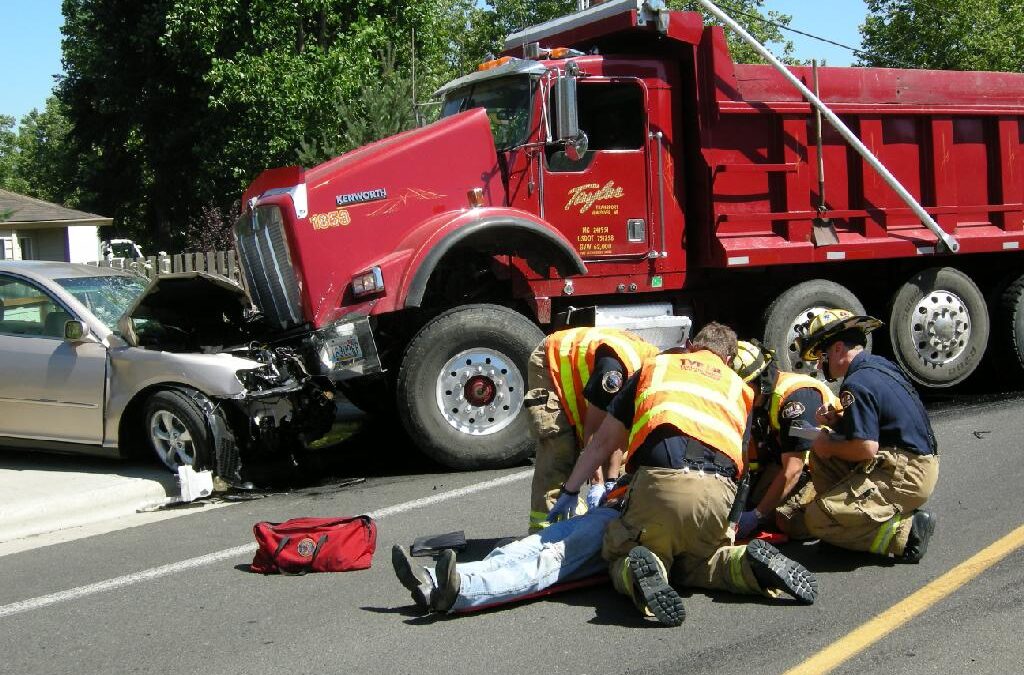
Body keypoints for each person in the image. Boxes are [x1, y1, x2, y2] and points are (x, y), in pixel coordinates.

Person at [392, 323, 818, 625]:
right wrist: (734, 524)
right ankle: (744, 565)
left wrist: (571, 490)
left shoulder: (656, 369)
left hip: (652, 498)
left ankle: (459, 587)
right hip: (716, 502)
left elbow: (600, 443)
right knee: (699, 561)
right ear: (726, 358)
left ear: (691, 346)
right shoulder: (737, 391)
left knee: (568, 552)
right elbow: (741, 469)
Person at [781, 308, 940, 562]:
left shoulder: (856, 384)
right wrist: (838, 422)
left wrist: (828, 444)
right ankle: (845, 520)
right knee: (823, 456)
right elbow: (881, 424)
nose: (821, 365)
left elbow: (866, 448)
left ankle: (906, 533)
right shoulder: (878, 366)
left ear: (838, 349)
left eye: (821, 356)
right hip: (911, 463)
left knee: (815, 519)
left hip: (906, 475)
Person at [525, 327, 659, 531]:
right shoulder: (613, 377)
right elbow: (596, 435)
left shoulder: (653, 379)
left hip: (594, 370)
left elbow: (619, 431)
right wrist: (597, 483)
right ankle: (543, 530)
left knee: (616, 470)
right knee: (560, 451)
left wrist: (612, 480)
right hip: (553, 364)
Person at [729, 340, 838, 539]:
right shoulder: (759, 401)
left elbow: (794, 468)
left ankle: (843, 518)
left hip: (825, 467)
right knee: (751, 501)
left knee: (786, 519)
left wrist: (756, 515)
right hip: (784, 462)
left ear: (760, 382)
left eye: (741, 390)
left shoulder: (795, 400)